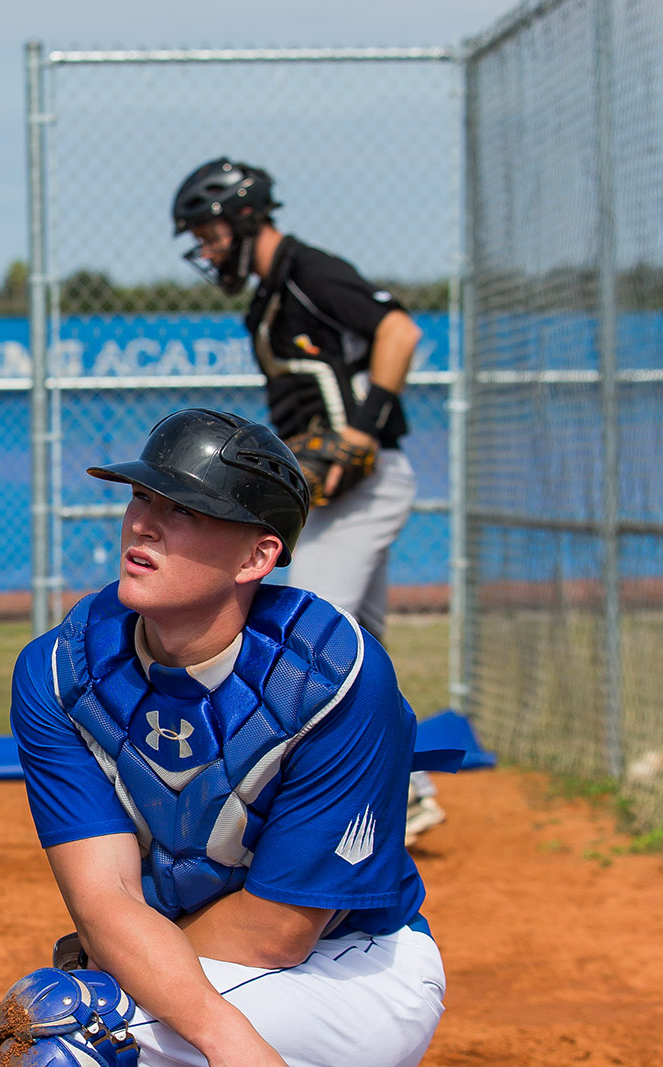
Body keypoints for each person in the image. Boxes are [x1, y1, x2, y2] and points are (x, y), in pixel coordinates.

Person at [0, 409, 446, 1067]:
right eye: (142, 495)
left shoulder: (332, 677)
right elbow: (104, 899)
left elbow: (281, 930)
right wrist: (157, 979)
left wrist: (181, 1003)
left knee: (74, 1029)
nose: (143, 522)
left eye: (185, 511)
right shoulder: (61, 673)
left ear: (257, 556)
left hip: (358, 966)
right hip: (210, 957)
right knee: (75, 1015)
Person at [170, 158, 445, 844]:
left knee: (311, 633)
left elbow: (399, 331)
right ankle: (406, 789)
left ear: (243, 219)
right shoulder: (269, 296)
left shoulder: (306, 269)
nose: (204, 249)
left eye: (208, 231)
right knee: (360, 643)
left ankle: (330, 792)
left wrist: (362, 426)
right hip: (335, 487)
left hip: (366, 478)